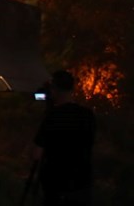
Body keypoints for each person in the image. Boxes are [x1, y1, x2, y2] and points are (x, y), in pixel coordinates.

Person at [32, 70, 96, 205]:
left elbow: (37, 154)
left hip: (57, 186)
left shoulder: (53, 116)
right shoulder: (88, 115)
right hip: (81, 185)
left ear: (54, 90)